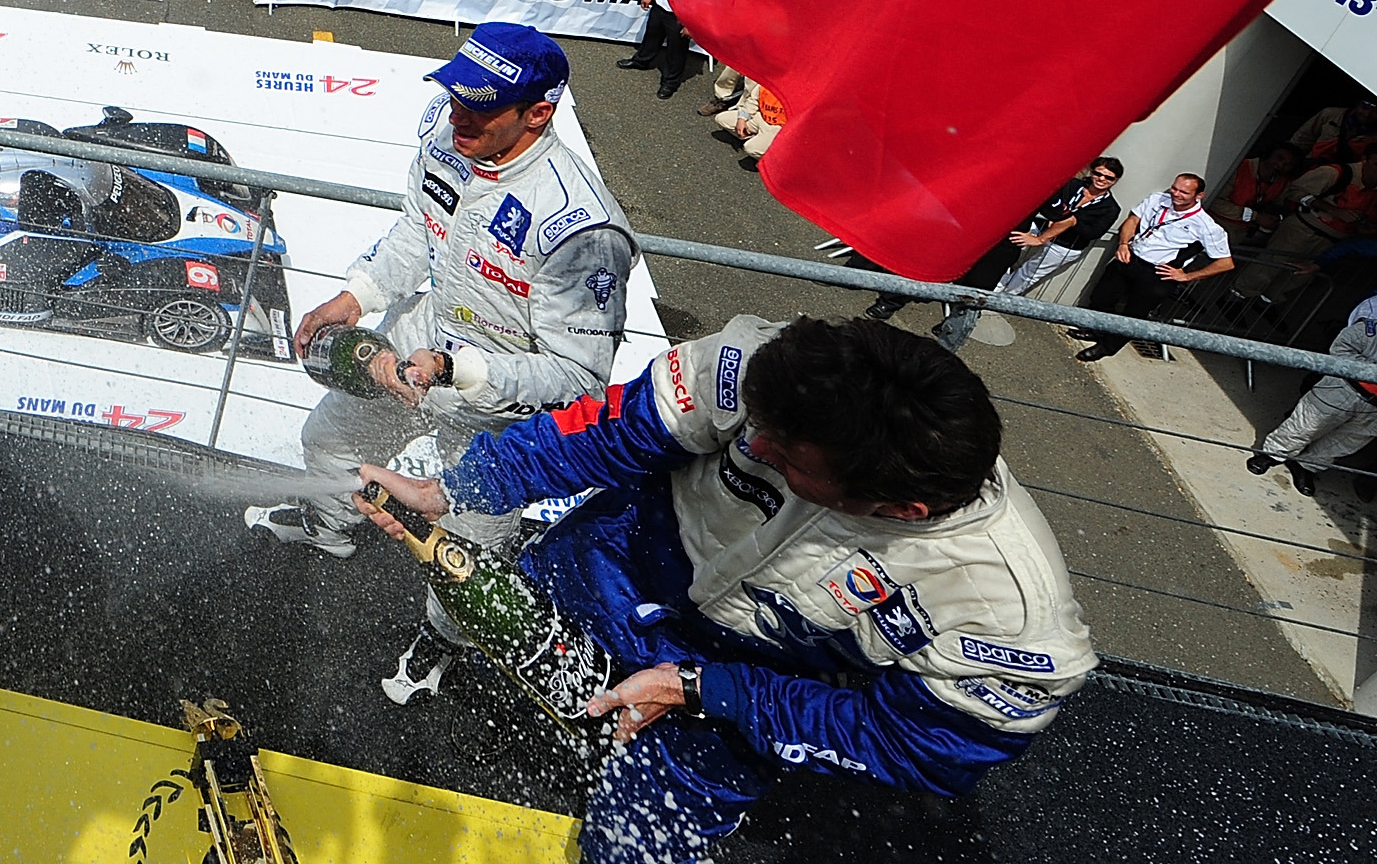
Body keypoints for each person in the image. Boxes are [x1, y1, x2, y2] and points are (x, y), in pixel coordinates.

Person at [362, 315, 1096, 864]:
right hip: (620, 552)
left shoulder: (1009, 615)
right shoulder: (764, 367)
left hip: (752, 678)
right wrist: (452, 488)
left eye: (777, 452)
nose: (753, 438)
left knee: (636, 841)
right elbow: (610, 432)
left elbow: (915, 741)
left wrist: (706, 689)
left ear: (897, 509)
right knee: (532, 681)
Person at [248, 21, 635, 706]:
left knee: (465, 557)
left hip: (500, 408)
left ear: (538, 112)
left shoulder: (580, 229)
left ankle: (443, 638)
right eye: (455, 96)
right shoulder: (447, 128)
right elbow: (414, 229)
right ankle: (332, 528)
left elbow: (578, 380)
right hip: (420, 343)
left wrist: (459, 369)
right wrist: (357, 294)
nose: (457, 115)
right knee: (328, 440)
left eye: (479, 107)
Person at [919, 159, 1122, 350]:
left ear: (1115, 181)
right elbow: (1049, 204)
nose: (1101, 179)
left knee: (1026, 275)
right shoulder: (1072, 185)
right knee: (1003, 256)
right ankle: (975, 297)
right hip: (1039, 229)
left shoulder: (1110, 208)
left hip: (1064, 245)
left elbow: (1091, 231)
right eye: (1098, 173)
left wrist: (1067, 222)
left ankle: (990, 305)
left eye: (1108, 177)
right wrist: (1057, 221)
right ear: (1091, 172)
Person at [1076, 172, 1232, 360]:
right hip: (1131, 257)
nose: (1176, 194)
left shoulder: (1206, 225)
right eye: (1174, 188)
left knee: (1134, 315)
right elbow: (1132, 220)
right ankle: (1097, 331)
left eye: (1184, 192)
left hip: (1158, 273)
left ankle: (1106, 348)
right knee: (1101, 296)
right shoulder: (1157, 199)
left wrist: (1187, 276)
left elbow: (1225, 263)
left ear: (1198, 196)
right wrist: (1123, 244)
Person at [1246, 289, 1377, 497]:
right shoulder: (1372, 320)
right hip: (1345, 387)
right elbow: (1341, 348)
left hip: (1373, 410)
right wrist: (1369, 372)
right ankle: (1272, 454)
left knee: (1343, 443)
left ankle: (1307, 467)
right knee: (1306, 424)